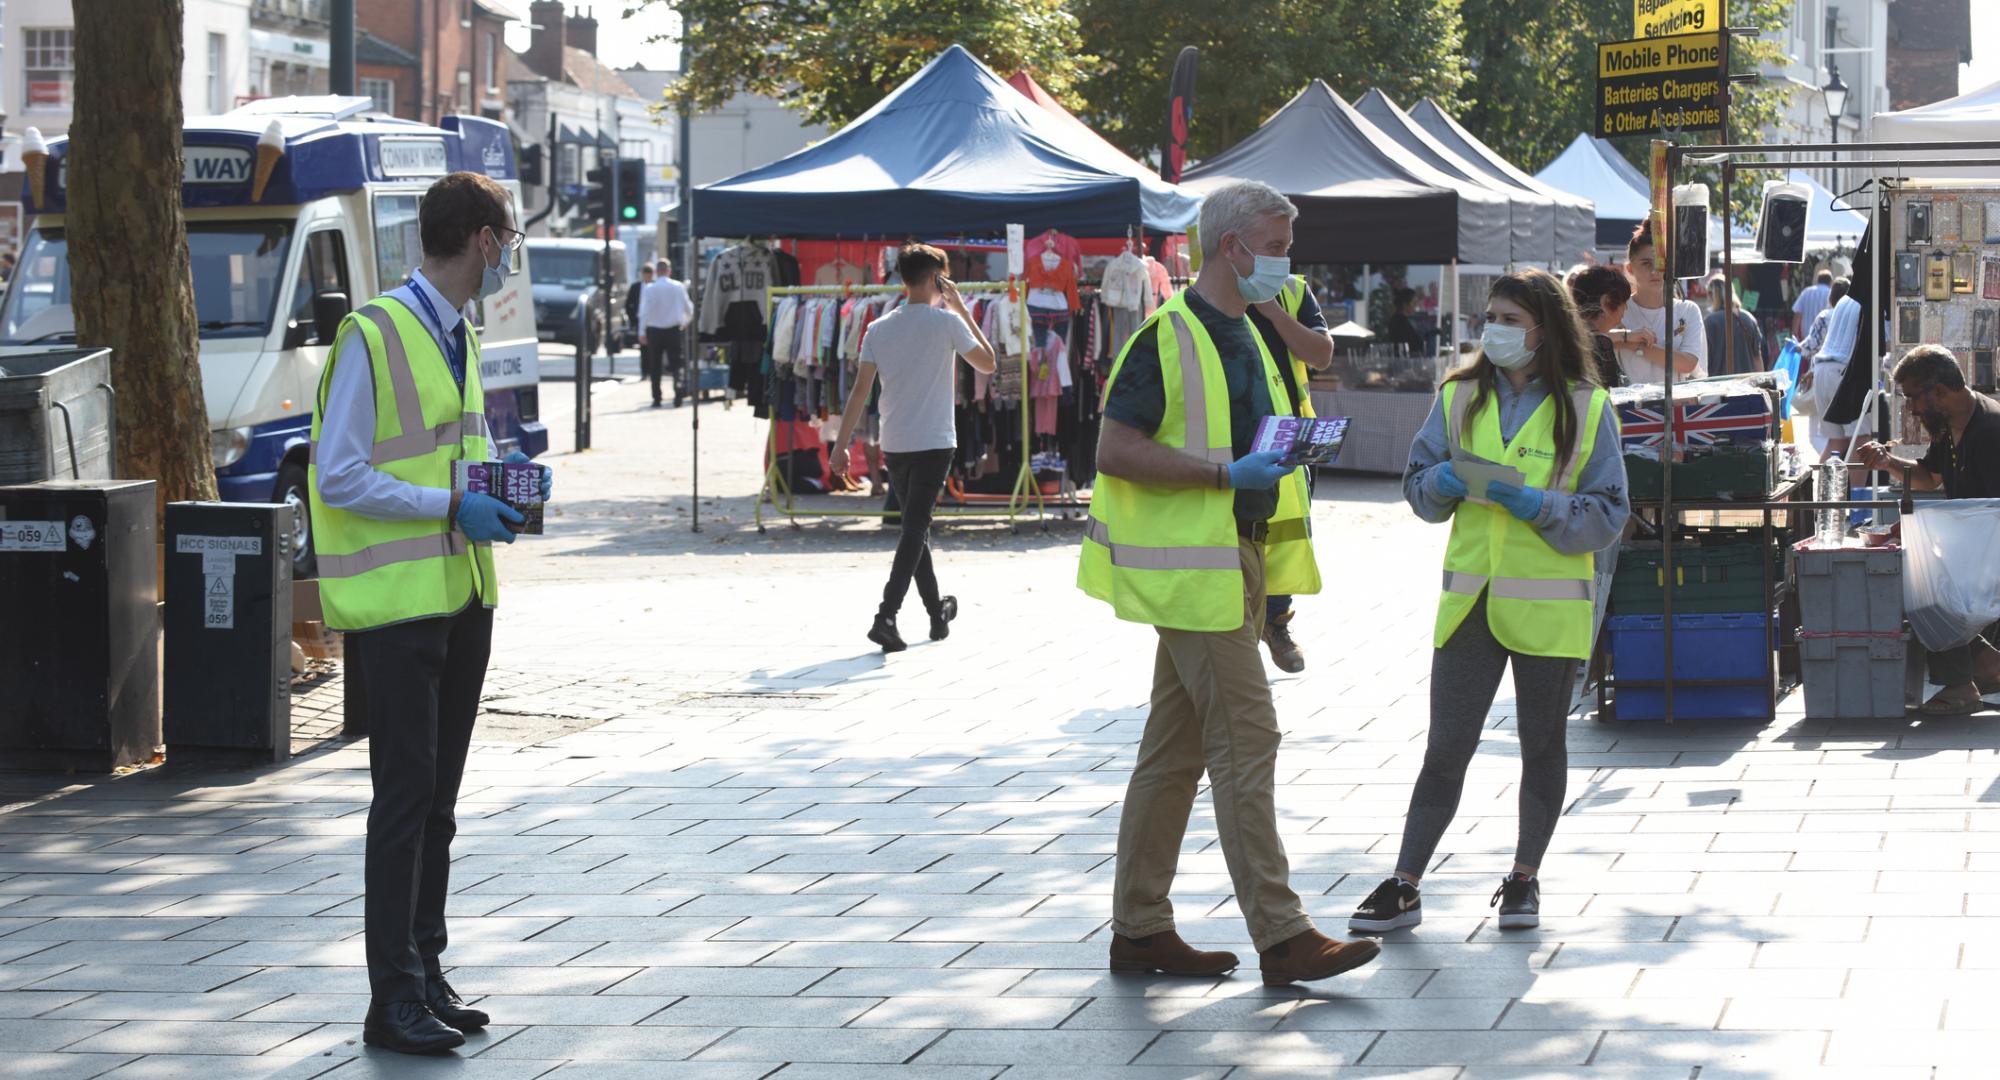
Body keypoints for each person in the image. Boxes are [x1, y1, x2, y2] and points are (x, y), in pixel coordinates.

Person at [1081, 179, 1377, 986]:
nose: (1286, 263)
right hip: (1196, 571)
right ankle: (1282, 935)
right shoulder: (1166, 334)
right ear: (1232, 247)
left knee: (1172, 754)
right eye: (1276, 248)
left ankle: (1140, 930)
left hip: (1232, 563)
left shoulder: (1249, 328)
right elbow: (1111, 449)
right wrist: (1221, 473)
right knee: (1248, 737)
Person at [308, 171, 553, 1055]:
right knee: (404, 803)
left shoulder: (460, 334)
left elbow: (454, 455)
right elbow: (336, 474)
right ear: (484, 241)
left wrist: (508, 488)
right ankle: (392, 999)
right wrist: (453, 507)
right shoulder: (372, 334)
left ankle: (426, 968)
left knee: (438, 803)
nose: (509, 254)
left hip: (463, 594)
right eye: (509, 240)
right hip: (399, 605)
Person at [1348, 268, 1628, 935]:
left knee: (1543, 745)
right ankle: (1405, 882)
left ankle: (1525, 879)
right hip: (1470, 601)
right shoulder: (1459, 396)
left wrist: (1542, 505)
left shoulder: (1588, 407)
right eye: (1490, 320)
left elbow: (1611, 510)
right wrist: (1439, 481)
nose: (1494, 331)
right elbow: (1418, 488)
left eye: (1509, 320)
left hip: (1550, 603)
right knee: (1446, 746)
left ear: (1545, 329)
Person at [828, 243, 995, 652]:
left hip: (896, 441)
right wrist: (961, 309)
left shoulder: (878, 328)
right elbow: (989, 362)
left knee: (913, 528)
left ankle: (937, 611)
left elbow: (859, 393)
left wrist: (841, 444)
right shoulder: (947, 323)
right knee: (915, 528)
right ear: (939, 278)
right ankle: (886, 615)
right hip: (935, 440)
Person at [1855, 346, 2000, 715]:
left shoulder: (1989, 430)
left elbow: (1990, 514)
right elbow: (1928, 477)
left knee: (1926, 583)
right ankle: (1983, 665)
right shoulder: (1950, 426)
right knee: (1921, 577)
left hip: (1989, 554)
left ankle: (1965, 680)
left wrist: (1927, 530)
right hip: (1978, 550)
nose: (1913, 410)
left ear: (1939, 389)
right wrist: (1888, 463)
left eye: (1914, 398)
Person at [1246, 274, 1335, 673]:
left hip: (1290, 431)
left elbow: (1321, 354)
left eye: (1286, 246)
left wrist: (1272, 311)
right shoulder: (1207, 291)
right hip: (1230, 434)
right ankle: (1240, 633)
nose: (1281, 255)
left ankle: (1275, 623)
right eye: (1273, 244)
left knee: (1285, 535)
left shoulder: (1294, 290)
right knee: (1238, 535)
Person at [1617, 224, 1706, 384]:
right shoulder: (1618, 310)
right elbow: (1595, 340)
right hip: (1631, 407)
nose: (1655, 272)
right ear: (1630, 268)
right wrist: (1625, 336)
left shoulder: (1687, 310)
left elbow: (1687, 363)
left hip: (1677, 405)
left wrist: (1636, 346)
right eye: (1646, 264)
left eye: (1660, 263)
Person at [1803, 292, 1864, 458]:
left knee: (1837, 441)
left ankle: (1822, 485)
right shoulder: (1869, 300)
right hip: (1843, 372)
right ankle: (1855, 486)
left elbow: (1810, 345)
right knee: (1861, 440)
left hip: (1822, 370)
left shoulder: (1842, 303)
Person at [1566, 264, 1631, 389]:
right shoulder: (1600, 344)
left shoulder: (1565, 336)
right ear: (1606, 302)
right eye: (1624, 302)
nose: (1626, 308)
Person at [638, 258, 692, 407]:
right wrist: (685, 323)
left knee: (655, 365)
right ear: (669, 271)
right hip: (673, 330)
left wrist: (641, 332)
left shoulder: (650, 289)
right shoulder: (678, 287)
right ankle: (678, 393)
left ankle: (657, 398)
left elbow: (644, 312)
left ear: (656, 272)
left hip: (654, 331)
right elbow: (690, 309)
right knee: (677, 364)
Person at [1703, 275, 1765, 376]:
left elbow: (1703, 361)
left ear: (1711, 295)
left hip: (1717, 386)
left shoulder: (1710, 322)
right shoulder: (1749, 318)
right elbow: (1757, 358)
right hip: (1747, 386)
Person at [1796, 276, 1850, 362]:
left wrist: (1796, 348)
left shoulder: (1824, 317)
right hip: (1849, 368)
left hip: (1826, 367)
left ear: (1831, 296)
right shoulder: (1856, 317)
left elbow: (1813, 344)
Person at [1792, 267, 1834, 340]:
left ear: (1817, 280)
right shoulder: (1830, 294)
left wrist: (1794, 334)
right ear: (1830, 282)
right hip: (1823, 338)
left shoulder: (1806, 292)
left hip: (1806, 337)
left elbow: (1798, 314)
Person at [1385, 287, 1424, 355]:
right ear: (1405, 304)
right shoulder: (1399, 322)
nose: (1416, 306)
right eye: (1414, 303)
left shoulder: (1401, 320)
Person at [626, 262, 652, 363]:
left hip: (652, 321)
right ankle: (644, 371)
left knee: (652, 347)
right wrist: (633, 319)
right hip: (639, 319)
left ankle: (651, 370)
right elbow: (628, 304)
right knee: (643, 346)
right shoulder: (635, 287)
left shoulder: (655, 286)